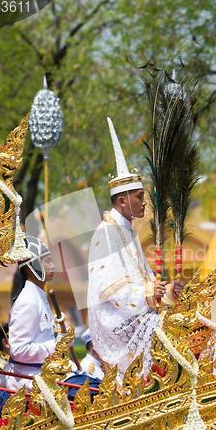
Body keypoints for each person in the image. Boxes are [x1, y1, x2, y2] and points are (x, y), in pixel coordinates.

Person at [87, 117, 183, 386]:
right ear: (122, 200)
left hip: (139, 316)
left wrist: (163, 290)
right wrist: (150, 293)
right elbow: (108, 287)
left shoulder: (127, 231)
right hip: (119, 325)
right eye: (139, 196)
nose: (144, 202)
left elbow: (144, 281)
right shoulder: (106, 233)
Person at [4, 236, 58, 392]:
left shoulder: (39, 299)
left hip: (42, 375)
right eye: (47, 261)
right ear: (32, 266)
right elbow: (19, 351)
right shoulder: (27, 302)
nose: (53, 266)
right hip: (27, 381)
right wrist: (56, 346)